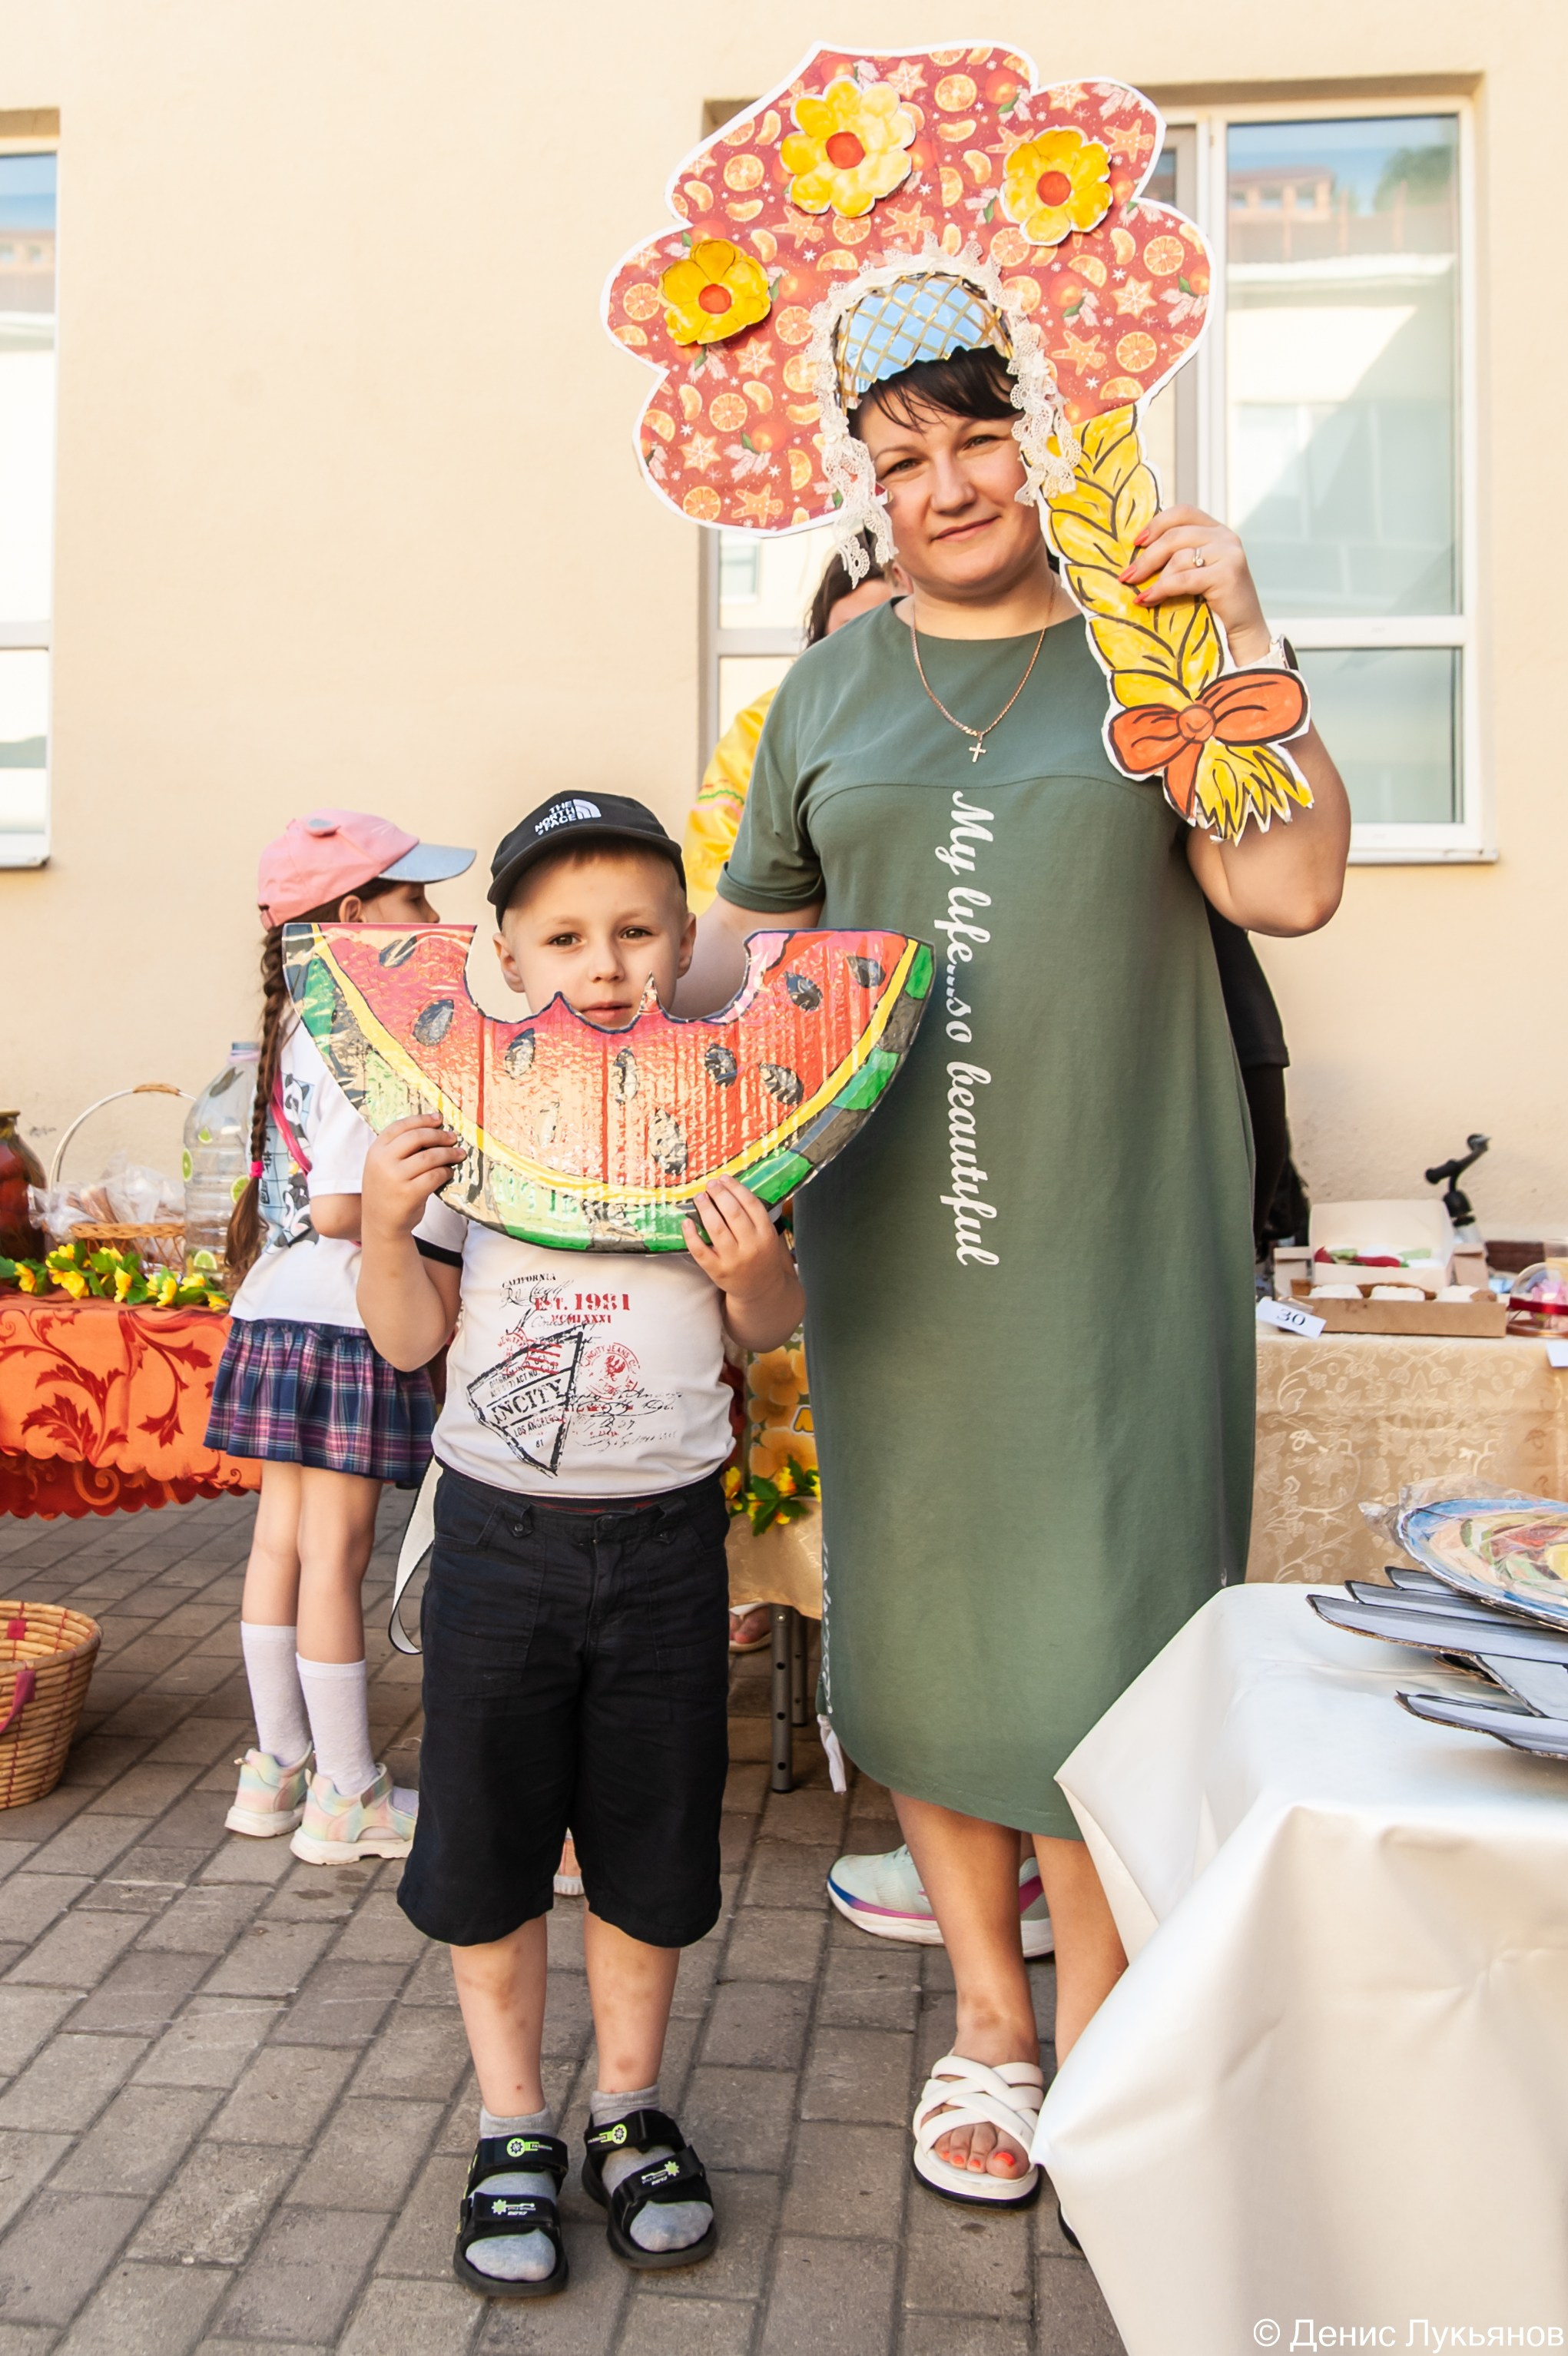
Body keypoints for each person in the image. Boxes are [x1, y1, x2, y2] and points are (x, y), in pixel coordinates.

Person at [678, 334, 1350, 2216]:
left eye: (984, 442)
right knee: (936, 1622)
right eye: (907, 459)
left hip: (1121, 1229)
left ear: (1043, 452)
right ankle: (990, 2025)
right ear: (865, 489)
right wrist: (572, 1033)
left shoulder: (1144, 652)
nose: (952, 484)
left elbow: (1283, 891)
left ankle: (1117, 2021)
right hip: (898, 1245)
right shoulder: (820, 689)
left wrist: (1240, 625)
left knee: (1123, 1621)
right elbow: (740, 975)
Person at [355, 794, 804, 2301]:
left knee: (647, 1846)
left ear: (683, 948)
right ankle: (509, 2124)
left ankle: (628, 2104)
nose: (602, 963)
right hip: (497, 1544)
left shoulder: (726, 1111)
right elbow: (410, 1336)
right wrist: (381, 1225)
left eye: (633, 932)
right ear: (503, 956)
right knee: (484, 1850)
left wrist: (756, 1276)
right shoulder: (453, 1116)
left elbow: (770, 1328)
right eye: (563, 937)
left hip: (669, 1546)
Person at [211, 807, 474, 1864]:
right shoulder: (358, 1026)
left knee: (280, 1546)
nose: (434, 914)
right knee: (335, 1557)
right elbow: (338, 1203)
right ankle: (349, 1794)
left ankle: (276, 1770)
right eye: (414, 897)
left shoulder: (286, 1021)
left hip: (276, 1306)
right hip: (341, 1307)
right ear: (358, 915)